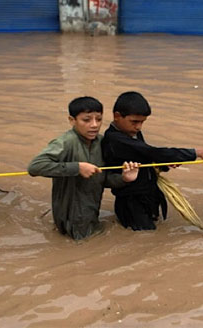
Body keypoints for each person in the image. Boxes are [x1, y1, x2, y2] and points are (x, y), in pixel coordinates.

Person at [102, 91, 203, 231]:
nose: (139, 127)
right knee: (145, 237)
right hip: (132, 202)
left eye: (142, 122)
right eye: (134, 122)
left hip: (148, 194)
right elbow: (152, 152)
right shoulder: (114, 140)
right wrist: (198, 152)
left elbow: (145, 156)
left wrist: (165, 163)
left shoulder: (132, 132)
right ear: (117, 116)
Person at [28, 96, 140, 240]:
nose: (94, 125)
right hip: (71, 218)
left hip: (91, 213)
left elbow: (102, 179)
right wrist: (77, 167)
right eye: (86, 120)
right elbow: (35, 166)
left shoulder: (101, 142)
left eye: (98, 119)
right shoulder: (65, 142)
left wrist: (124, 178)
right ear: (72, 120)